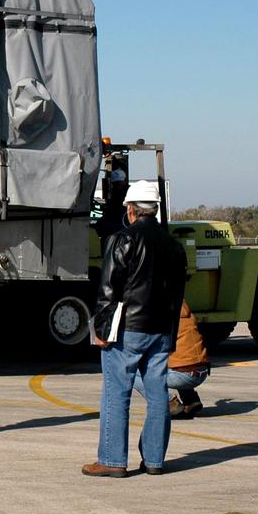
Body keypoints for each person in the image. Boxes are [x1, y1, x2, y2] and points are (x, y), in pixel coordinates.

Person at [83, 180, 187, 477]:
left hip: (128, 328)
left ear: (130, 210)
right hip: (161, 329)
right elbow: (178, 295)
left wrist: (101, 330)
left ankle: (112, 460)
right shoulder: (174, 246)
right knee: (157, 395)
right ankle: (154, 460)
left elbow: (108, 289)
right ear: (154, 210)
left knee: (117, 393)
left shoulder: (122, 240)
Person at [135, 301, 210, 419]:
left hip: (182, 376)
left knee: (131, 372)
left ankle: (170, 403)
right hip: (202, 372)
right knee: (182, 357)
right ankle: (190, 400)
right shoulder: (183, 308)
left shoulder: (159, 315)